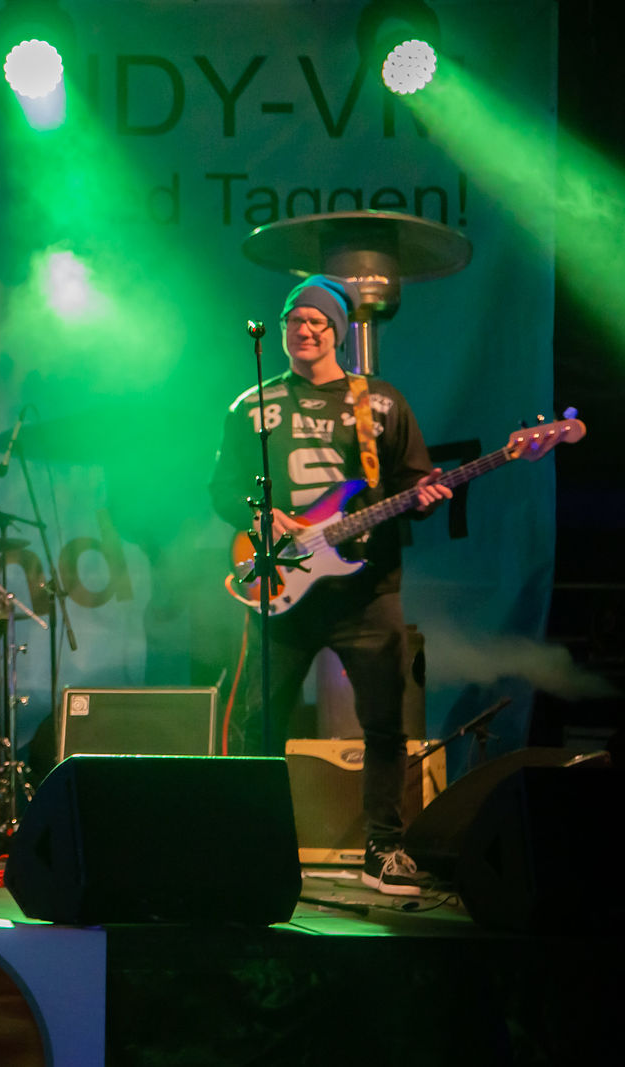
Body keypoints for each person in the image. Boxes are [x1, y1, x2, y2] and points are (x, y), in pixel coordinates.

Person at [208, 275, 450, 896]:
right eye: (295, 320)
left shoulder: (382, 403)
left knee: (385, 724)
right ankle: (253, 846)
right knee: (257, 725)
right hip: (283, 586)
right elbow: (223, 489)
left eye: (317, 321)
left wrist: (425, 498)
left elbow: (413, 481)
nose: (305, 330)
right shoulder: (252, 405)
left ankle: (383, 849)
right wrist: (261, 516)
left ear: (337, 332)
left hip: (367, 590)